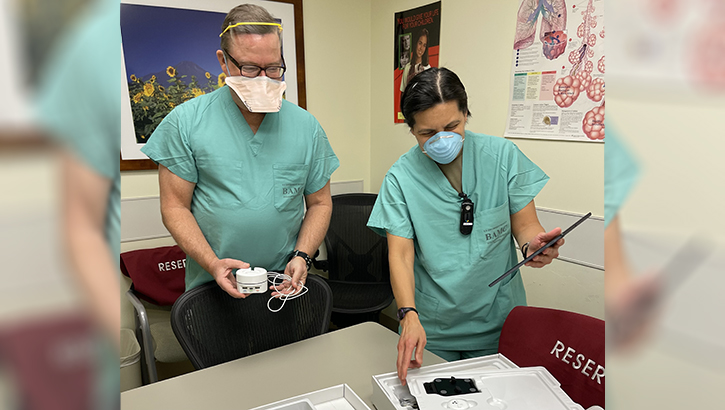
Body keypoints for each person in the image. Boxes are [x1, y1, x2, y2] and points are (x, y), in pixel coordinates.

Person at [368, 67, 565, 384]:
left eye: (452, 126)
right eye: (427, 133)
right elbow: (400, 256)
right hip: (433, 327)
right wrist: (408, 315)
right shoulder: (400, 179)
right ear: (412, 130)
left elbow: (527, 228)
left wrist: (535, 247)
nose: (442, 140)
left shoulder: (502, 157)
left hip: (499, 320)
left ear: (466, 114)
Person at [141, 4, 339, 298]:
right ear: (223, 62)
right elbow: (174, 207)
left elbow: (320, 204)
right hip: (212, 284)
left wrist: (303, 255)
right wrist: (212, 264)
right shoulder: (185, 122)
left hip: (282, 283)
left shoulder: (305, 127)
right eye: (249, 68)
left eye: (273, 68)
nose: (263, 79)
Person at [399, 28, 431, 93]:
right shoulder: (408, 67)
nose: (421, 48)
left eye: (424, 45)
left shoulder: (428, 69)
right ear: (415, 43)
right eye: (420, 43)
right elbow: (403, 92)